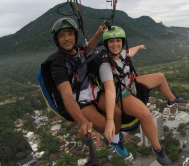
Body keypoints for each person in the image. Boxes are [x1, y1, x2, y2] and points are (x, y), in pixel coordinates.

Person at [97, 26, 184, 166]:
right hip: (122, 94)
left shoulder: (123, 54)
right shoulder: (105, 66)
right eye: (111, 41)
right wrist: (110, 120)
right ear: (106, 44)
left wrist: (139, 46)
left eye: (118, 41)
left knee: (160, 77)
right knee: (146, 115)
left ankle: (172, 100)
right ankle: (158, 149)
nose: (115, 44)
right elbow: (110, 91)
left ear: (122, 42)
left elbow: (130, 52)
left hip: (131, 84)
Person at [49, 18, 129, 157]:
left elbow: (86, 50)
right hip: (78, 98)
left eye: (69, 34)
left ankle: (115, 137)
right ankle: (114, 141)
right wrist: (82, 122)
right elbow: (66, 95)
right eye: (62, 35)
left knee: (117, 113)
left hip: (93, 89)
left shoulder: (78, 48)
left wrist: (98, 33)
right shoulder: (57, 64)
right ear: (57, 39)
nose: (67, 38)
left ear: (75, 35)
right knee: (104, 125)